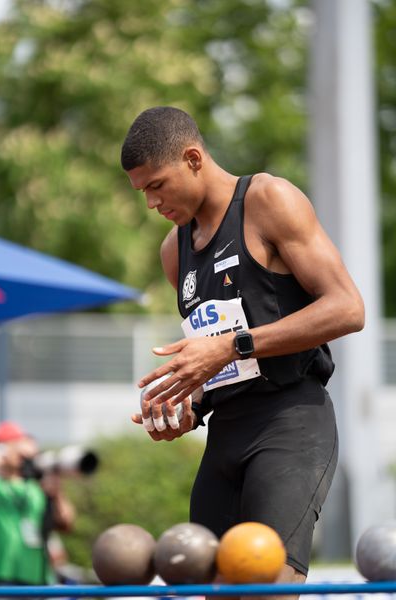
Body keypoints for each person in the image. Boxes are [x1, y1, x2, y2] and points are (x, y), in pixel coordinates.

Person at [120, 106, 365, 594]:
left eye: (157, 185)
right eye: (142, 191)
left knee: (266, 585)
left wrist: (234, 346)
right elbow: (211, 359)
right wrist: (187, 404)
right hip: (226, 436)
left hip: (291, 424)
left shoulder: (268, 198)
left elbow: (347, 309)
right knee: (201, 584)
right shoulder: (175, 250)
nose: (151, 202)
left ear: (193, 158)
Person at [0, 421, 76, 586]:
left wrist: (57, 493)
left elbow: (66, 523)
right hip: (2, 575)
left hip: (37, 577)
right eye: (16, 446)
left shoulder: (38, 487)